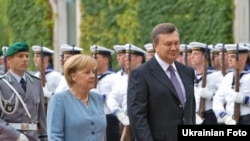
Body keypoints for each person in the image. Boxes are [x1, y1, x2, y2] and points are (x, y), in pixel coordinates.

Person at [127, 23, 196, 141]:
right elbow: (137, 117)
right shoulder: (141, 74)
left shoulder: (187, 72)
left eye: (176, 43)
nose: (174, 48)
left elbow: (190, 110)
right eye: (168, 44)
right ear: (155, 46)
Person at [47, 54, 106, 141]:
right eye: (87, 72)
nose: (93, 76)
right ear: (72, 76)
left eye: (93, 72)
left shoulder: (98, 99)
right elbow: (55, 136)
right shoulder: (59, 100)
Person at [0, 41, 47, 141]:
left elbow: (41, 119)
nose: (25, 59)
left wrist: (44, 138)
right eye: (20, 56)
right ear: (9, 60)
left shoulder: (36, 83)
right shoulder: (2, 84)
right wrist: (16, 136)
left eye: (27, 56)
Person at [213, 44, 250, 125]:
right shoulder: (228, 77)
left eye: (233, 57)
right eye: (228, 56)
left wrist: (245, 99)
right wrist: (224, 116)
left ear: (243, 59)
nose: (229, 59)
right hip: (230, 120)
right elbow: (217, 100)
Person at [90, 45, 120, 141]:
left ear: (106, 60)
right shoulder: (90, 77)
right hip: (91, 116)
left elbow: (116, 97)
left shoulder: (114, 77)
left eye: (96, 57)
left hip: (108, 117)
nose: (92, 60)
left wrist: (101, 97)